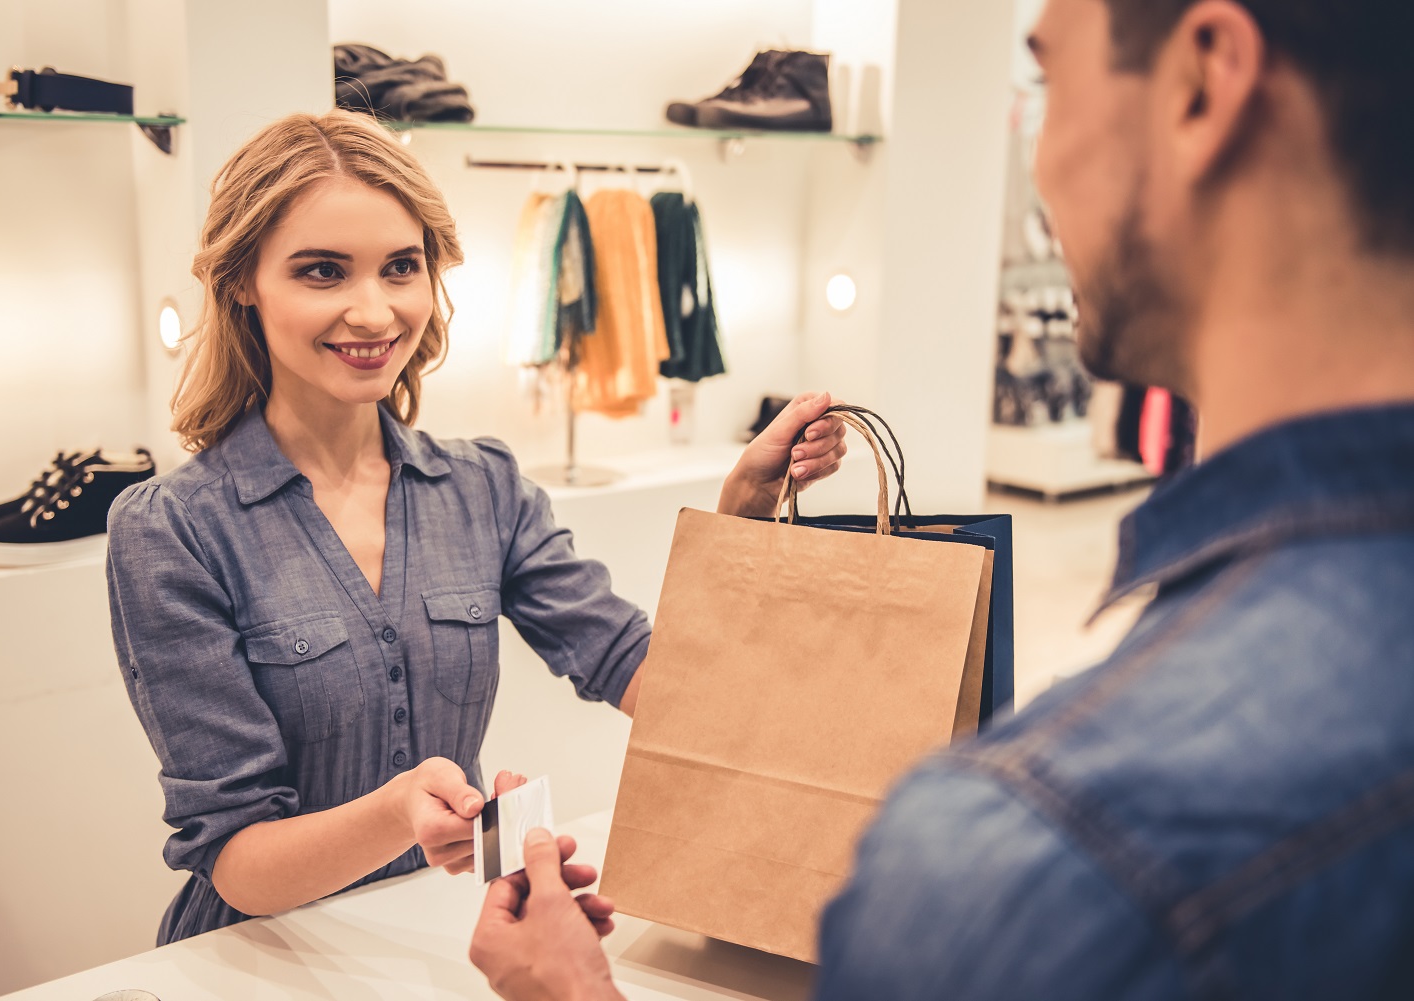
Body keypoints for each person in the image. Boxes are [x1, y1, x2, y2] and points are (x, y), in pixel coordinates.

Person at [469, 0, 1414, 997]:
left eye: (1049, 81)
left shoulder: (1035, 856)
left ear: (1202, 83)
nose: (1040, 162)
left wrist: (571, 989)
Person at [104, 108, 848, 945]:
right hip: (254, 959)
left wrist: (741, 512)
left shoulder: (480, 486)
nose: (374, 311)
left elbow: (647, 676)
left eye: (400, 267)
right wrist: (394, 813)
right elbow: (235, 860)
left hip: (424, 933)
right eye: (322, 272)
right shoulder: (174, 531)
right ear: (244, 280)